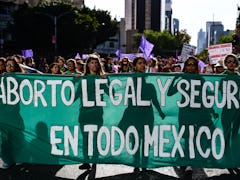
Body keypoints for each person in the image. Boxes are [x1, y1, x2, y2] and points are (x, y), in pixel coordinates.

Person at [119, 56, 165, 173]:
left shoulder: (150, 85)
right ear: (134, 66)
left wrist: (160, 112)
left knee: (146, 139)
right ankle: (136, 162)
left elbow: (154, 100)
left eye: (144, 63)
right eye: (139, 63)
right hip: (134, 114)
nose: (142, 65)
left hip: (147, 115)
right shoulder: (129, 82)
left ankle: (144, 163)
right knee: (135, 139)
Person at [78, 54, 106, 174]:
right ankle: (86, 161)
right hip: (84, 113)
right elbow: (73, 96)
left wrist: (106, 80)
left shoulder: (101, 78)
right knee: (85, 138)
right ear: (87, 64)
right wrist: (73, 82)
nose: (94, 65)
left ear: (99, 65)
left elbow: (112, 93)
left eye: (96, 63)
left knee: (95, 138)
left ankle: (94, 161)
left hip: (97, 113)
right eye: (92, 63)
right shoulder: (82, 79)